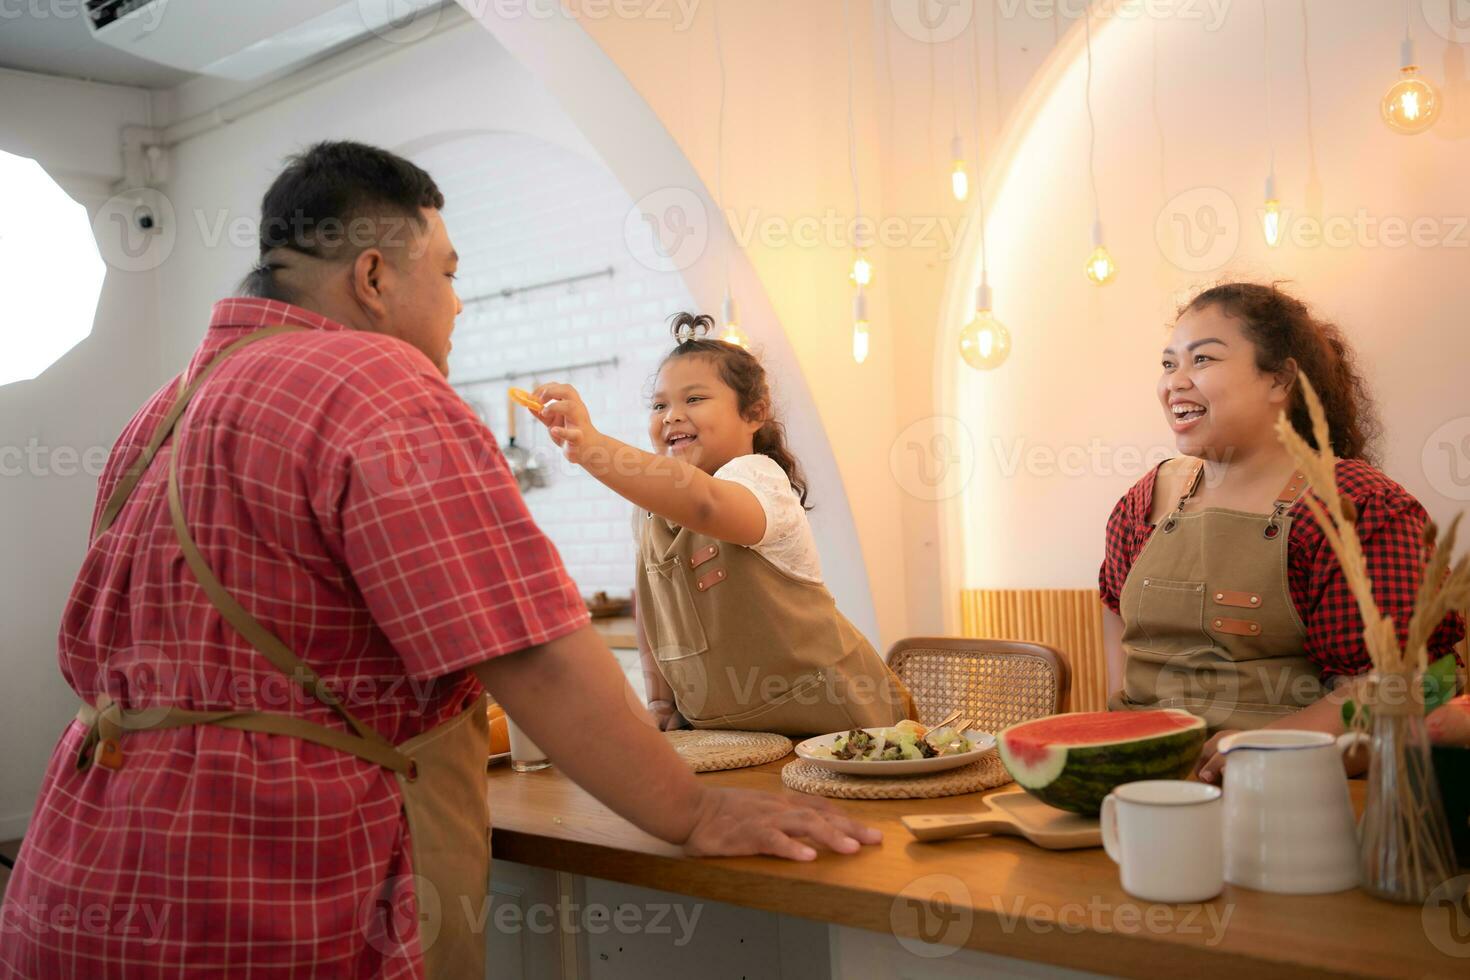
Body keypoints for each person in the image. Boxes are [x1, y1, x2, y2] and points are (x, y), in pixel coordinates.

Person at [0, 142, 880, 979]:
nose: (459, 303)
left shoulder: (163, 407)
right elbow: (530, 650)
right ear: (374, 278)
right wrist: (692, 810)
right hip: (276, 890)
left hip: (83, 874)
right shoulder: (376, 383)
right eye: (450, 273)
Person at [1098, 282, 1465, 782]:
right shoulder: (1145, 499)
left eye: (1202, 360)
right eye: (1168, 364)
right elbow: (1115, 611)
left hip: (1291, 792)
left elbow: (1405, 684)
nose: (1174, 383)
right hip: (1141, 784)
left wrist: (1272, 746)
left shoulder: (1353, 504)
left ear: (1279, 380)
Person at [530, 313, 914, 736]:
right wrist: (660, 699)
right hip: (726, 733)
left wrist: (593, 447)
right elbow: (653, 609)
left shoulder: (759, 480)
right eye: (660, 405)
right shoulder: (650, 510)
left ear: (754, 414)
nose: (672, 416)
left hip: (841, 722)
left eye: (693, 399)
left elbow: (705, 503)